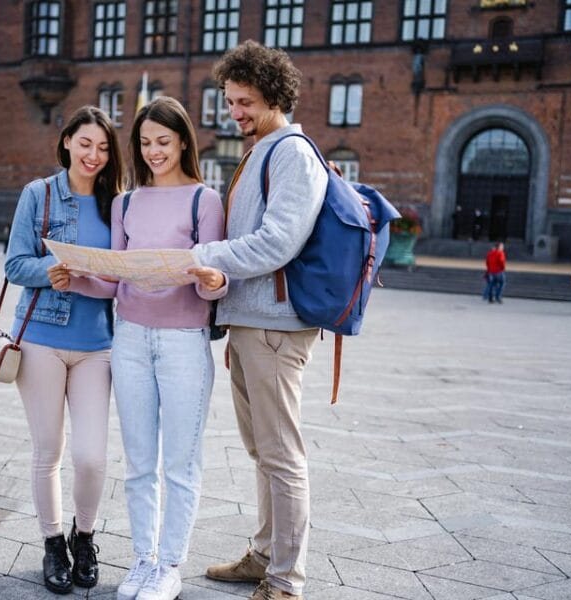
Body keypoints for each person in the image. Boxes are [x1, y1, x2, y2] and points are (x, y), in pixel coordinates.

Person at [50, 96, 227, 600]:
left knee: (181, 463)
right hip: (128, 338)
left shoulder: (204, 201)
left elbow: (215, 283)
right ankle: (143, 560)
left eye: (164, 142)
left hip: (183, 342)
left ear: (184, 142)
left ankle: (170, 566)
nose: (153, 152)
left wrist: (213, 278)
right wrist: (78, 277)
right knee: (139, 462)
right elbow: (115, 281)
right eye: (146, 143)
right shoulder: (126, 202)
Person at [187, 40, 329, 600]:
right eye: (229, 101)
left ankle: (286, 581)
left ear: (274, 96)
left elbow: (276, 243)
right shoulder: (261, 149)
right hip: (254, 325)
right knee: (263, 452)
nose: (235, 112)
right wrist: (234, 317)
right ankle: (266, 555)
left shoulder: (291, 152)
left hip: (275, 328)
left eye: (244, 101)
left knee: (282, 454)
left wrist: (203, 258)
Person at [4, 106, 125, 595]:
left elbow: (124, 275)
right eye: (85, 144)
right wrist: (47, 272)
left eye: (102, 147)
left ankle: (85, 536)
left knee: (92, 456)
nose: (93, 155)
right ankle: (53, 542)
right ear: (67, 142)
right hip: (41, 341)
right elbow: (14, 263)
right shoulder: (38, 195)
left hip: (97, 344)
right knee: (48, 451)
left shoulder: (117, 204)